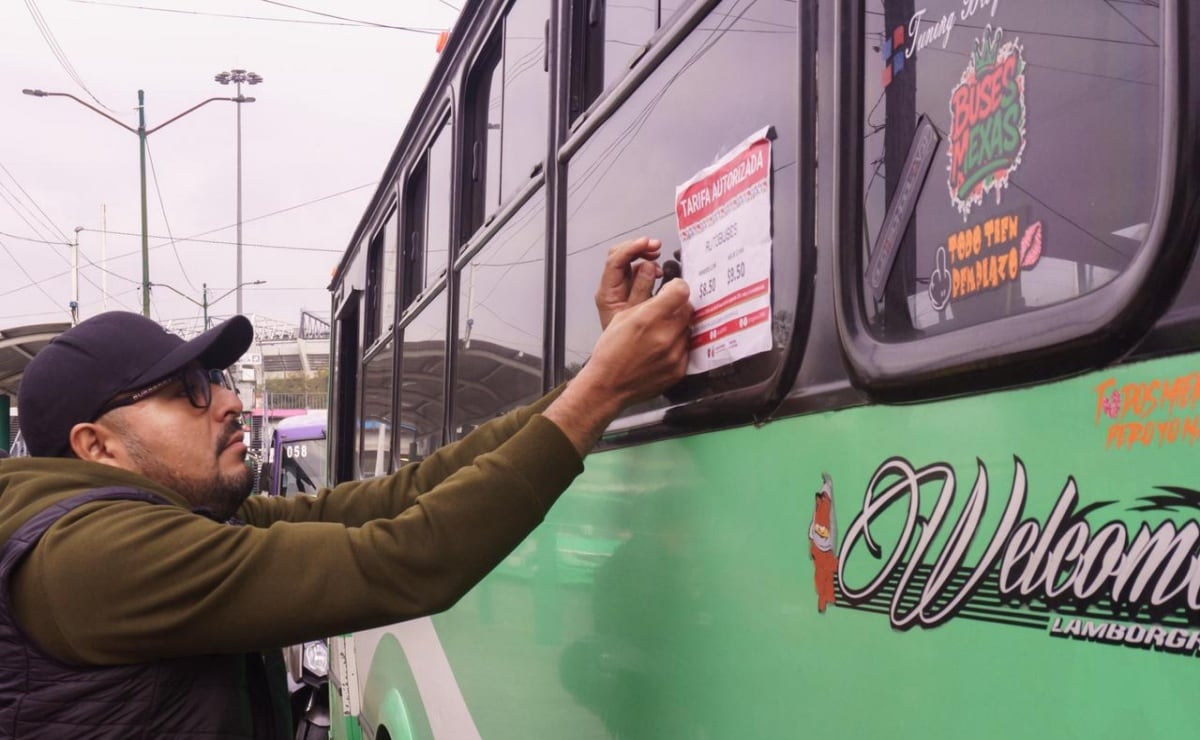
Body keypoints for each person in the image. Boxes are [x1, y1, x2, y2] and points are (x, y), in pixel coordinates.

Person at [0, 237, 688, 739]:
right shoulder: (98, 556)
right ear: (98, 445)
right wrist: (604, 390)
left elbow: (393, 501)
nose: (228, 402)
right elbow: (400, 560)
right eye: (189, 391)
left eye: (218, 381)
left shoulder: (171, 519)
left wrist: (595, 376)